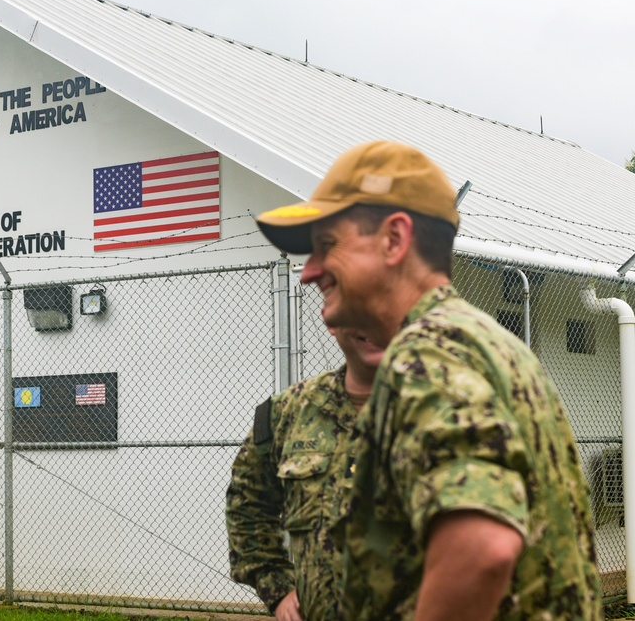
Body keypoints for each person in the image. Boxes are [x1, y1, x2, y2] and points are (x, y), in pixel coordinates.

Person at [254, 140, 602, 621]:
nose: (308, 273)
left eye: (326, 246)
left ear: (395, 240)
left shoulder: (423, 357)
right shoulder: (485, 344)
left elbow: (481, 547)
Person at [226, 326, 384, 621]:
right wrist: (277, 589)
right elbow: (247, 502)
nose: (370, 321)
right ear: (333, 321)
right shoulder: (289, 411)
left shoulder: (457, 407)